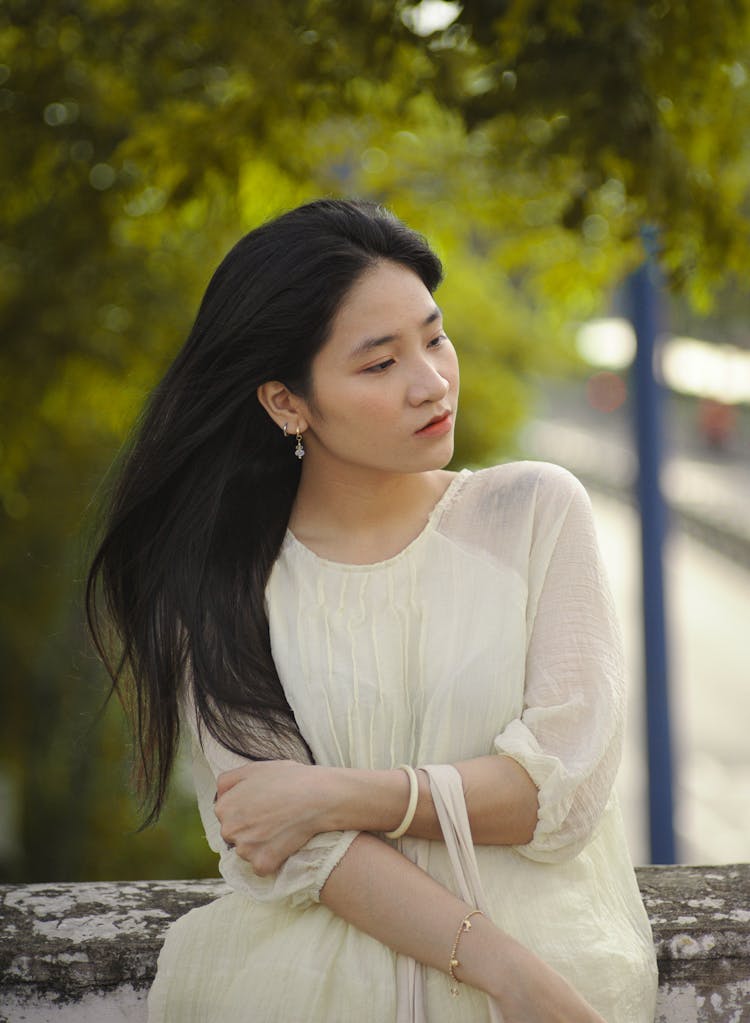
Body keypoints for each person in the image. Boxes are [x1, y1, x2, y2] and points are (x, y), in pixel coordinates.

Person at [87, 198, 658, 1022]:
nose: (431, 382)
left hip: (563, 970)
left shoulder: (534, 513)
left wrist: (334, 792)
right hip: (315, 991)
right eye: (379, 363)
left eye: (435, 337)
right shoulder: (218, 588)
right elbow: (296, 845)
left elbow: (555, 795)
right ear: (288, 402)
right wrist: (509, 972)